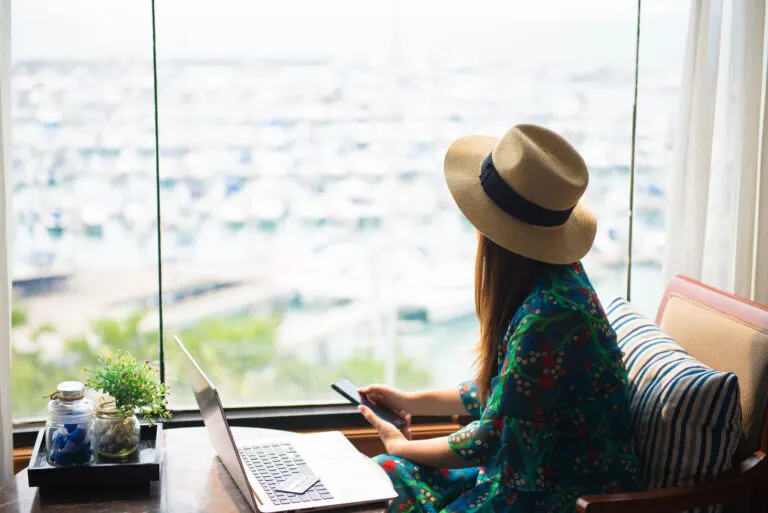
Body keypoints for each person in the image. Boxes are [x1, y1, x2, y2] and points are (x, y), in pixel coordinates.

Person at [358, 124, 643, 512]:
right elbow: (504, 396)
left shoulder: (552, 317)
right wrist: (410, 400)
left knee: (387, 482)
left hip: (556, 494)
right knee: (381, 478)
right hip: (522, 473)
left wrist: (400, 444)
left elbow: (489, 438)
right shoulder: (555, 280)